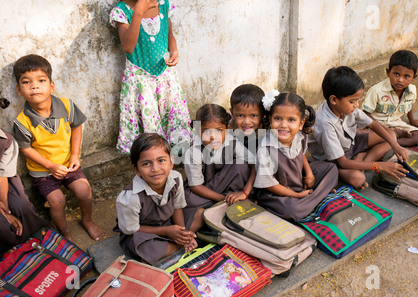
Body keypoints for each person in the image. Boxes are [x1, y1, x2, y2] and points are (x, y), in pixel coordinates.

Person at [12, 54, 105, 242]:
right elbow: (26, 149)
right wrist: (50, 166)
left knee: (84, 191)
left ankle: (87, 220)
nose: (34, 86)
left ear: (51, 85)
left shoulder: (66, 105)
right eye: (26, 82)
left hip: (68, 164)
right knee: (57, 201)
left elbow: (77, 125)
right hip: (42, 171)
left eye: (41, 80)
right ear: (19, 90)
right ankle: (65, 231)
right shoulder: (22, 122)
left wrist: (75, 155)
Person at [110, 0, 192, 154]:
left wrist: (174, 51)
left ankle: (174, 159)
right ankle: (154, 157)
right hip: (141, 82)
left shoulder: (163, 4)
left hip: (165, 77)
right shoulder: (122, 11)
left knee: (172, 119)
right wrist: (138, 12)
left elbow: (169, 35)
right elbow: (128, 47)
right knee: (151, 133)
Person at [308, 66, 409, 190]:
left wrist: (395, 145)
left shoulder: (345, 107)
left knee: (391, 136)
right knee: (358, 178)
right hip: (335, 161)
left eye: (358, 100)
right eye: (353, 101)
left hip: (350, 144)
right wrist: (379, 166)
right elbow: (343, 162)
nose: (357, 105)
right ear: (334, 99)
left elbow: (373, 124)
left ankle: (362, 162)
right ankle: (358, 164)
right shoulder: (325, 124)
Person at [115, 133, 200, 264]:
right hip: (143, 233)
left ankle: (176, 246)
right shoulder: (130, 197)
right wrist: (167, 232)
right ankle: (173, 247)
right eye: (146, 164)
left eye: (161, 160)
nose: (155, 169)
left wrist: (183, 235)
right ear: (136, 169)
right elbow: (131, 230)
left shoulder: (176, 178)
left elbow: (177, 208)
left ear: (171, 162)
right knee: (149, 248)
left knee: (200, 214)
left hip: (168, 222)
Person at [253, 92, 339, 222]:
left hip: (298, 179)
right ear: (270, 119)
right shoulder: (265, 148)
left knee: (331, 169)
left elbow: (301, 154)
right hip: (276, 193)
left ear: (301, 123)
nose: (283, 125)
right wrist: (296, 195)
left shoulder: (301, 136)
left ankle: (310, 199)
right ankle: (315, 197)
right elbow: (270, 185)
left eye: (291, 120)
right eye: (278, 118)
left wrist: (309, 174)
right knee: (292, 210)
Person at [183, 104, 253, 221]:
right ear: (197, 130)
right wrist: (223, 198)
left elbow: (254, 165)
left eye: (219, 130)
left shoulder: (232, 142)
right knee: (188, 199)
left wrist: (245, 192)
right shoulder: (193, 151)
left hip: (229, 189)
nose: (212, 137)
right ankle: (230, 203)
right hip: (206, 192)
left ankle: (231, 201)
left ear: (227, 128)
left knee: (241, 164)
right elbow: (196, 186)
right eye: (206, 131)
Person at [0, 98, 48, 256]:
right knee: (3, 226)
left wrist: (6, 209)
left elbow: (2, 176)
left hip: (3, 186)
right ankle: (10, 258)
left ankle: (35, 248)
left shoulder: (5, 140)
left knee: (22, 207)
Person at [362, 50, 418, 146]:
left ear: (414, 77)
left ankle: (389, 143)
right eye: (396, 74)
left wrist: (412, 120)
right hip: (376, 125)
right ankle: (389, 141)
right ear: (388, 72)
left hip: (396, 123)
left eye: (406, 76)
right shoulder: (377, 90)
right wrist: (384, 130)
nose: (400, 80)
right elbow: (365, 113)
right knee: (367, 136)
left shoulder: (412, 91)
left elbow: (409, 105)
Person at [229, 84, 268, 200]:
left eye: (254, 116)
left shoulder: (265, 134)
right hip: (236, 176)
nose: (247, 122)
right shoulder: (227, 129)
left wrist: (245, 193)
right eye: (240, 115)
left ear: (263, 115)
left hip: (259, 177)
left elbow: (258, 166)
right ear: (231, 112)